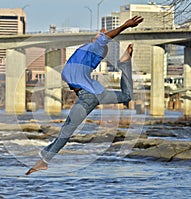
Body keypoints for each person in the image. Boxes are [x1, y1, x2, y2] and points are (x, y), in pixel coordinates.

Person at [25, 16, 144, 175]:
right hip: (94, 94)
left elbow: (106, 38)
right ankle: (125, 64)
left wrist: (125, 26)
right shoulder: (85, 52)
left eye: (101, 37)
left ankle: (44, 161)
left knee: (67, 130)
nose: (100, 34)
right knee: (126, 96)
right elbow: (103, 39)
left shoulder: (95, 48)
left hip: (88, 97)